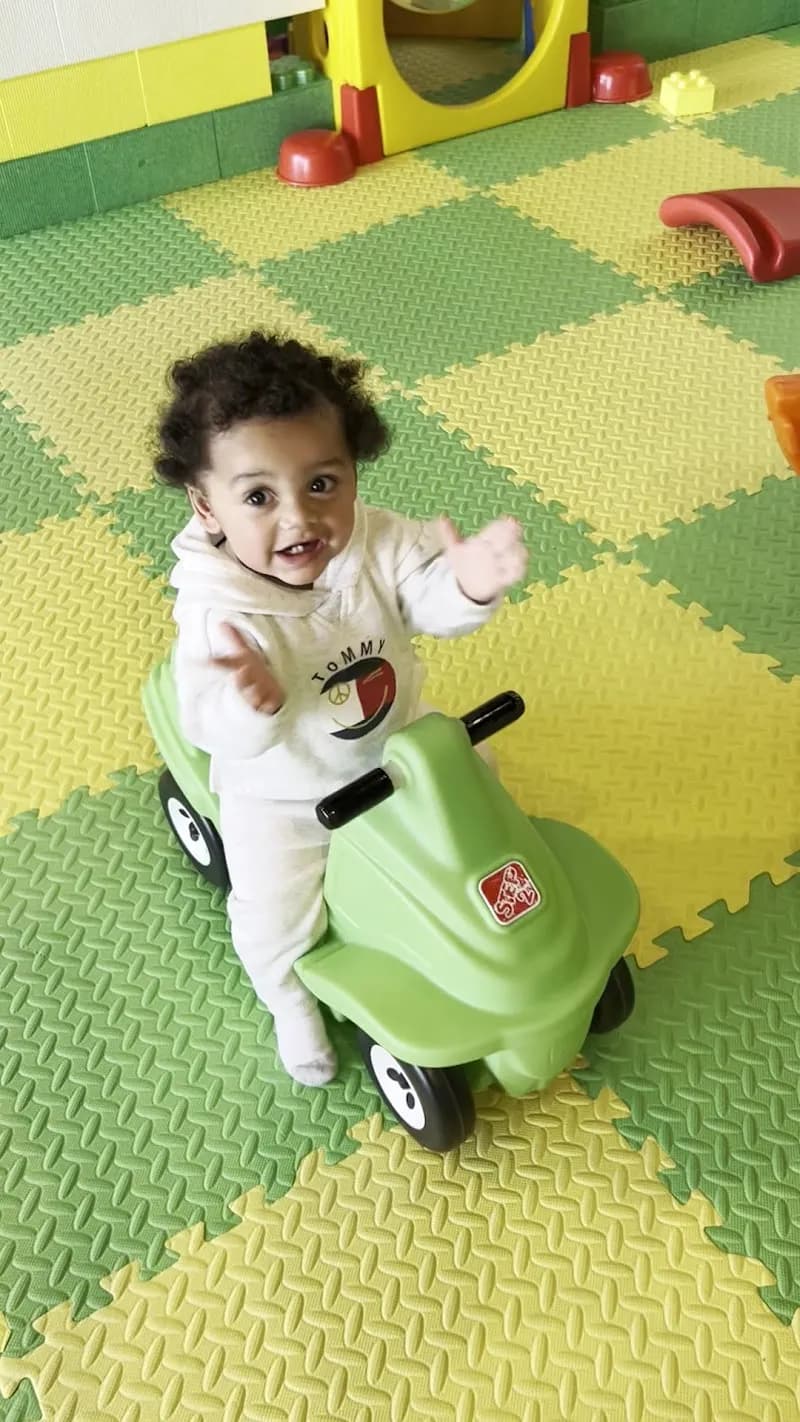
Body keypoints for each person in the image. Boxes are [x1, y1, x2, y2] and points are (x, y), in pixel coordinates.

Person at [156, 331, 527, 1087]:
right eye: (259, 497)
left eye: (322, 484)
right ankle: (288, 1000)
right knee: (275, 912)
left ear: (353, 473)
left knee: (482, 782)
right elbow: (204, 721)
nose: (298, 519)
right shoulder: (218, 613)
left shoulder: (378, 540)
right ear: (209, 507)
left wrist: (467, 586)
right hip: (288, 794)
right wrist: (250, 704)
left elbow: (426, 598)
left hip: (398, 753)